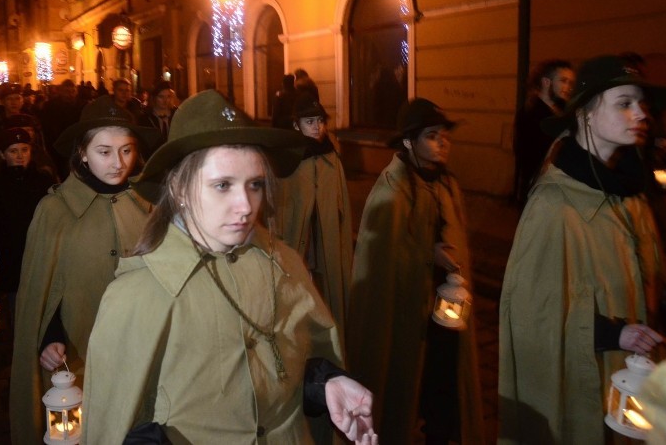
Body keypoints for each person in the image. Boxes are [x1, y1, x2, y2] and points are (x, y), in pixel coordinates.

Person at [81, 90, 378, 444]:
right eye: (222, 185)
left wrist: (322, 383)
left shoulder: (283, 263)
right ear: (177, 187)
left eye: (254, 185)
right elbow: (112, 423)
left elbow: (294, 359)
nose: (246, 206)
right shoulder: (135, 294)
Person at [499, 55, 666, 444]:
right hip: (588, 373)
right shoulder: (553, 204)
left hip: (632, 376)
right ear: (586, 115)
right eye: (624, 103)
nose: (641, 113)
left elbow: (649, 272)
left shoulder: (628, 191)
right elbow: (532, 315)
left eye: (641, 103)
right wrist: (613, 333)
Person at [9, 96, 158, 445]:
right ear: (82, 154)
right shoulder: (54, 211)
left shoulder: (149, 205)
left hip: (144, 350)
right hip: (79, 355)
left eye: (126, 150)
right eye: (104, 151)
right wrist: (48, 336)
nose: (118, 162)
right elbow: (41, 289)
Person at [346, 98, 485, 444]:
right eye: (432, 136)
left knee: (444, 382)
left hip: (446, 310)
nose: (443, 143)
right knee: (407, 385)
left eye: (444, 135)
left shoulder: (447, 184)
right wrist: (428, 252)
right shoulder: (392, 189)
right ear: (409, 142)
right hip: (408, 316)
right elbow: (381, 260)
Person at [277, 93, 353, 339]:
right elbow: (282, 207)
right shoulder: (288, 160)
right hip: (298, 243)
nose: (317, 127)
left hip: (326, 243)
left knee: (328, 297)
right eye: (310, 121)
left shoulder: (332, 157)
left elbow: (342, 209)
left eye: (320, 120)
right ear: (296, 125)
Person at [0, 127, 52, 320]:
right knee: (20, 314)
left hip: (45, 258)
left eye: (24, 150)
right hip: (13, 261)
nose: (20, 156)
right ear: (2, 154)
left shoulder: (44, 182)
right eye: (13, 151)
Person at [513, 59, 575, 203]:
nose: (568, 87)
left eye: (570, 83)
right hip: (541, 195)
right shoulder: (531, 115)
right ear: (546, 82)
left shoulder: (560, 112)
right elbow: (529, 159)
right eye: (563, 81)